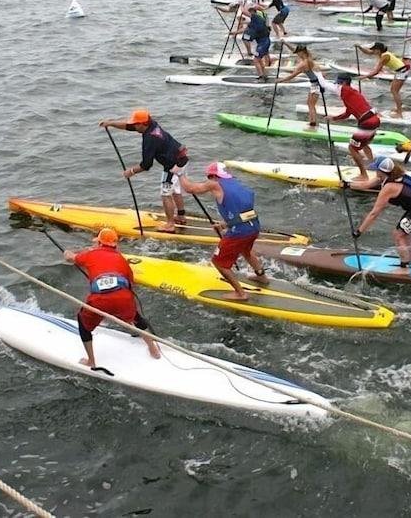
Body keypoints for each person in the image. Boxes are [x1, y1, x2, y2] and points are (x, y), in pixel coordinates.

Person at [64, 227, 161, 367]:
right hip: (123, 298)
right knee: (136, 318)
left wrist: (67, 252)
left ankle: (91, 361)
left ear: (99, 243)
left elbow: (70, 258)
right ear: (115, 245)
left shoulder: (90, 254)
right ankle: (153, 349)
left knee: (83, 322)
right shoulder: (121, 259)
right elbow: (131, 284)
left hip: (99, 301)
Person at [175, 162, 268, 301]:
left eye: (209, 176)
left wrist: (179, 173)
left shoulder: (215, 183)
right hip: (253, 227)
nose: (208, 179)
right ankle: (262, 277)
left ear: (214, 176)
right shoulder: (238, 183)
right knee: (246, 251)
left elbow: (190, 188)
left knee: (218, 262)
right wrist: (226, 224)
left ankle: (241, 294)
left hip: (239, 232)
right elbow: (245, 210)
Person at [98, 109, 188, 232]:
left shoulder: (150, 139)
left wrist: (131, 171)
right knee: (176, 190)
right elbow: (128, 126)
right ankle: (181, 216)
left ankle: (170, 224)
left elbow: (146, 165)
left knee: (165, 194)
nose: (134, 125)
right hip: (182, 158)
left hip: (173, 166)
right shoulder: (151, 124)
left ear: (143, 124)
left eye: (136, 124)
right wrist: (110, 123)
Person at [347, 156, 411, 266]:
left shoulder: (389, 188)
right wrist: (347, 185)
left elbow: (374, 213)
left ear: (382, 171)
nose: (375, 171)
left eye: (376, 170)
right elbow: (366, 185)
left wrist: (359, 231)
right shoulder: (391, 176)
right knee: (404, 232)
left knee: (398, 234)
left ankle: (404, 267)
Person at [312, 69, 381, 179]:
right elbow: (348, 113)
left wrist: (316, 72)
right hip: (374, 120)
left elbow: (324, 84)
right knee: (364, 144)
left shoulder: (345, 89)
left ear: (343, 83)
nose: (337, 85)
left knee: (352, 148)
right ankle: (372, 165)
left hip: (367, 123)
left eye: (338, 83)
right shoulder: (352, 94)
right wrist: (333, 118)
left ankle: (364, 175)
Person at [356, 41, 411, 118]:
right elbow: (368, 52)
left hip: (402, 72)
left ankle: (399, 113)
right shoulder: (381, 53)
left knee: (394, 91)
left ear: (378, 50)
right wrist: (359, 47)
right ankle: (399, 108)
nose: (373, 51)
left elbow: (376, 71)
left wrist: (364, 77)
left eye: (374, 50)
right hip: (400, 71)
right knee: (394, 90)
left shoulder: (385, 57)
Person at [277, 45, 324, 127]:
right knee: (310, 104)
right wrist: (285, 43)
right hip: (316, 83)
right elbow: (294, 49)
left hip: (316, 84)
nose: (297, 55)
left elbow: (292, 76)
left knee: (311, 105)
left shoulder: (304, 64)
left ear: (302, 52)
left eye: (298, 53)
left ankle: (313, 124)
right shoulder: (309, 56)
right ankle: (313, 121)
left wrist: (280, 80)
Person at [234, 4, 272, 79]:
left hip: (263, 43)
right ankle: (264, 74)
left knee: (256, 60)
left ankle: (261, 76)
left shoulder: (256, 17)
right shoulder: (254, 22)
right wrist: (235, 33)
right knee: (260, 59)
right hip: (263, 43)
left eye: (250, 13)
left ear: (253, 12)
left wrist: (241, 5)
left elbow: (244, 12)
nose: (249, 15)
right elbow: (245, 29)